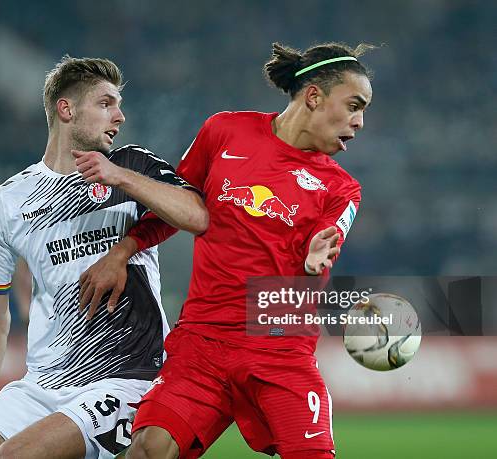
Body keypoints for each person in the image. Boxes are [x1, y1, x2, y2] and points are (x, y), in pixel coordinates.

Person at [79, 42, 374, 459]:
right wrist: (122, 251)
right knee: (147, 449)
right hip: (204, 340)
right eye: (355, 105)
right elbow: (178, 208)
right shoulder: (224, 131)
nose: (360, 122)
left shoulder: (342, 188)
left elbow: (325, 249)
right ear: (314, 96)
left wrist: (312, 264)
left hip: (279, 347)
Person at [0, 56, 208, 459]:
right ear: (66, 109)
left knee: (17, 456)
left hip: (129, 377)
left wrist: (119, 177)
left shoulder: (131, 165)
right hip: (44, 383)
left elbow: (197, 214)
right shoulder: (6, 203)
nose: (120, 116)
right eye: (106, 103)